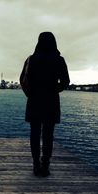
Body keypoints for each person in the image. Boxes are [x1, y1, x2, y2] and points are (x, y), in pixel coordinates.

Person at [20, 32, 70, 177]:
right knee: (48, 135)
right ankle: (45, 166)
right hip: (51, 102)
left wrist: (30, 94)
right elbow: (66, 81)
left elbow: (22, 79)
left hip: (34, 101)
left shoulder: (31, 59)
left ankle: (36, 166)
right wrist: (54, 90)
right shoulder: (59, 60)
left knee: (34, 134)